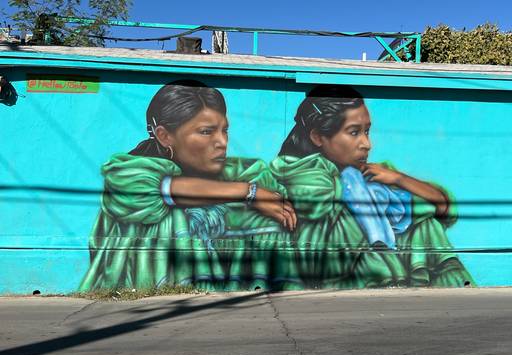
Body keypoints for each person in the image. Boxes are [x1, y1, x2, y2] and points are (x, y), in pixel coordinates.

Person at [79, 81, 300, 292]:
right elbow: (162, 190)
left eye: (225, 130)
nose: (222, 142)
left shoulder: (231, 172)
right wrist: (248, 193)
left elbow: (264, 187)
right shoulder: (130, 172)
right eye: (206, 131)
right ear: (164, 136)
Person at [270, 84, 475, 288]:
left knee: (426, 226)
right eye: (353, 132)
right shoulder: (301, 173)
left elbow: (443, 207)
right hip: (335, 277)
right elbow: (316, 203)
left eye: (366, 131)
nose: (367, 144)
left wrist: (398, 179)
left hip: (389, 278)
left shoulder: (377, 174)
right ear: (317, 137)